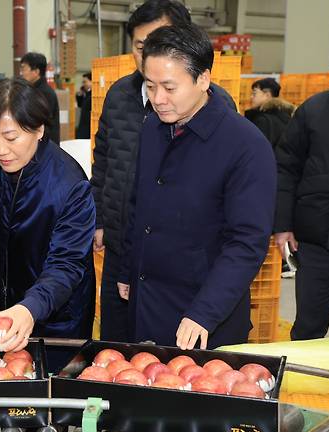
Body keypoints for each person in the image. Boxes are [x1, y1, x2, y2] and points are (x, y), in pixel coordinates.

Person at [117, 23, 276, 350]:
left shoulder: (245, 145)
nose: (158, 99)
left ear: (203, 79)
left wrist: (204, 312)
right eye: (150, 85)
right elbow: (138, 203)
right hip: (146, 301)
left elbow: (246, 243)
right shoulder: (153, 127)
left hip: (203, 318)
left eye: (169, 88)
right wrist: (127, 266)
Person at [91, 0, 237, 342]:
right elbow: (104, 159)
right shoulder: (119, 95)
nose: (149, 56)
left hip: (176, 255)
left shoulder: (216, 107)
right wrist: (99, 217)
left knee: (167, 354)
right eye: (141, 46)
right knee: (115, 345)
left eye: (159, 42)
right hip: (122, 246)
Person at [0, 78, 95, 369]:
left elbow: (67, 264)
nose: (0, 150)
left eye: (11, 138)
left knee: (52, 388)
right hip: (6, 300)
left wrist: (30, 308)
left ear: (38, 129)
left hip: (58, 314)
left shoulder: (70, 184)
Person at [273, 67, 329, 341]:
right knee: (308, 328)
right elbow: (286, 168)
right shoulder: (314, 110)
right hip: (316, 238)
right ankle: (304, 382)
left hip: (316, 229)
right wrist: (282, 224)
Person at [19, 52, 60, 144]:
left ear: (36, 72)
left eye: (23, 68)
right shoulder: (31, 90)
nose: (21, 73)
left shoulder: (45, 93)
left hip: (44, 147)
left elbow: (41, 125)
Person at [245, 77, 295, 148]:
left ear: (267, 95)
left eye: (254, 93)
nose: (251, 97)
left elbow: (257, 148)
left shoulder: (263, 120)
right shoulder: (286, 116)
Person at [75, 72, 92, 139]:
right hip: (83, 125)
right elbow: (80, 105)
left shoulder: (92, 95)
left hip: (87, 127)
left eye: (85, 82)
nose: (83, 84)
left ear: (91, 81)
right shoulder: (87, 93)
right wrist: (79, 95)